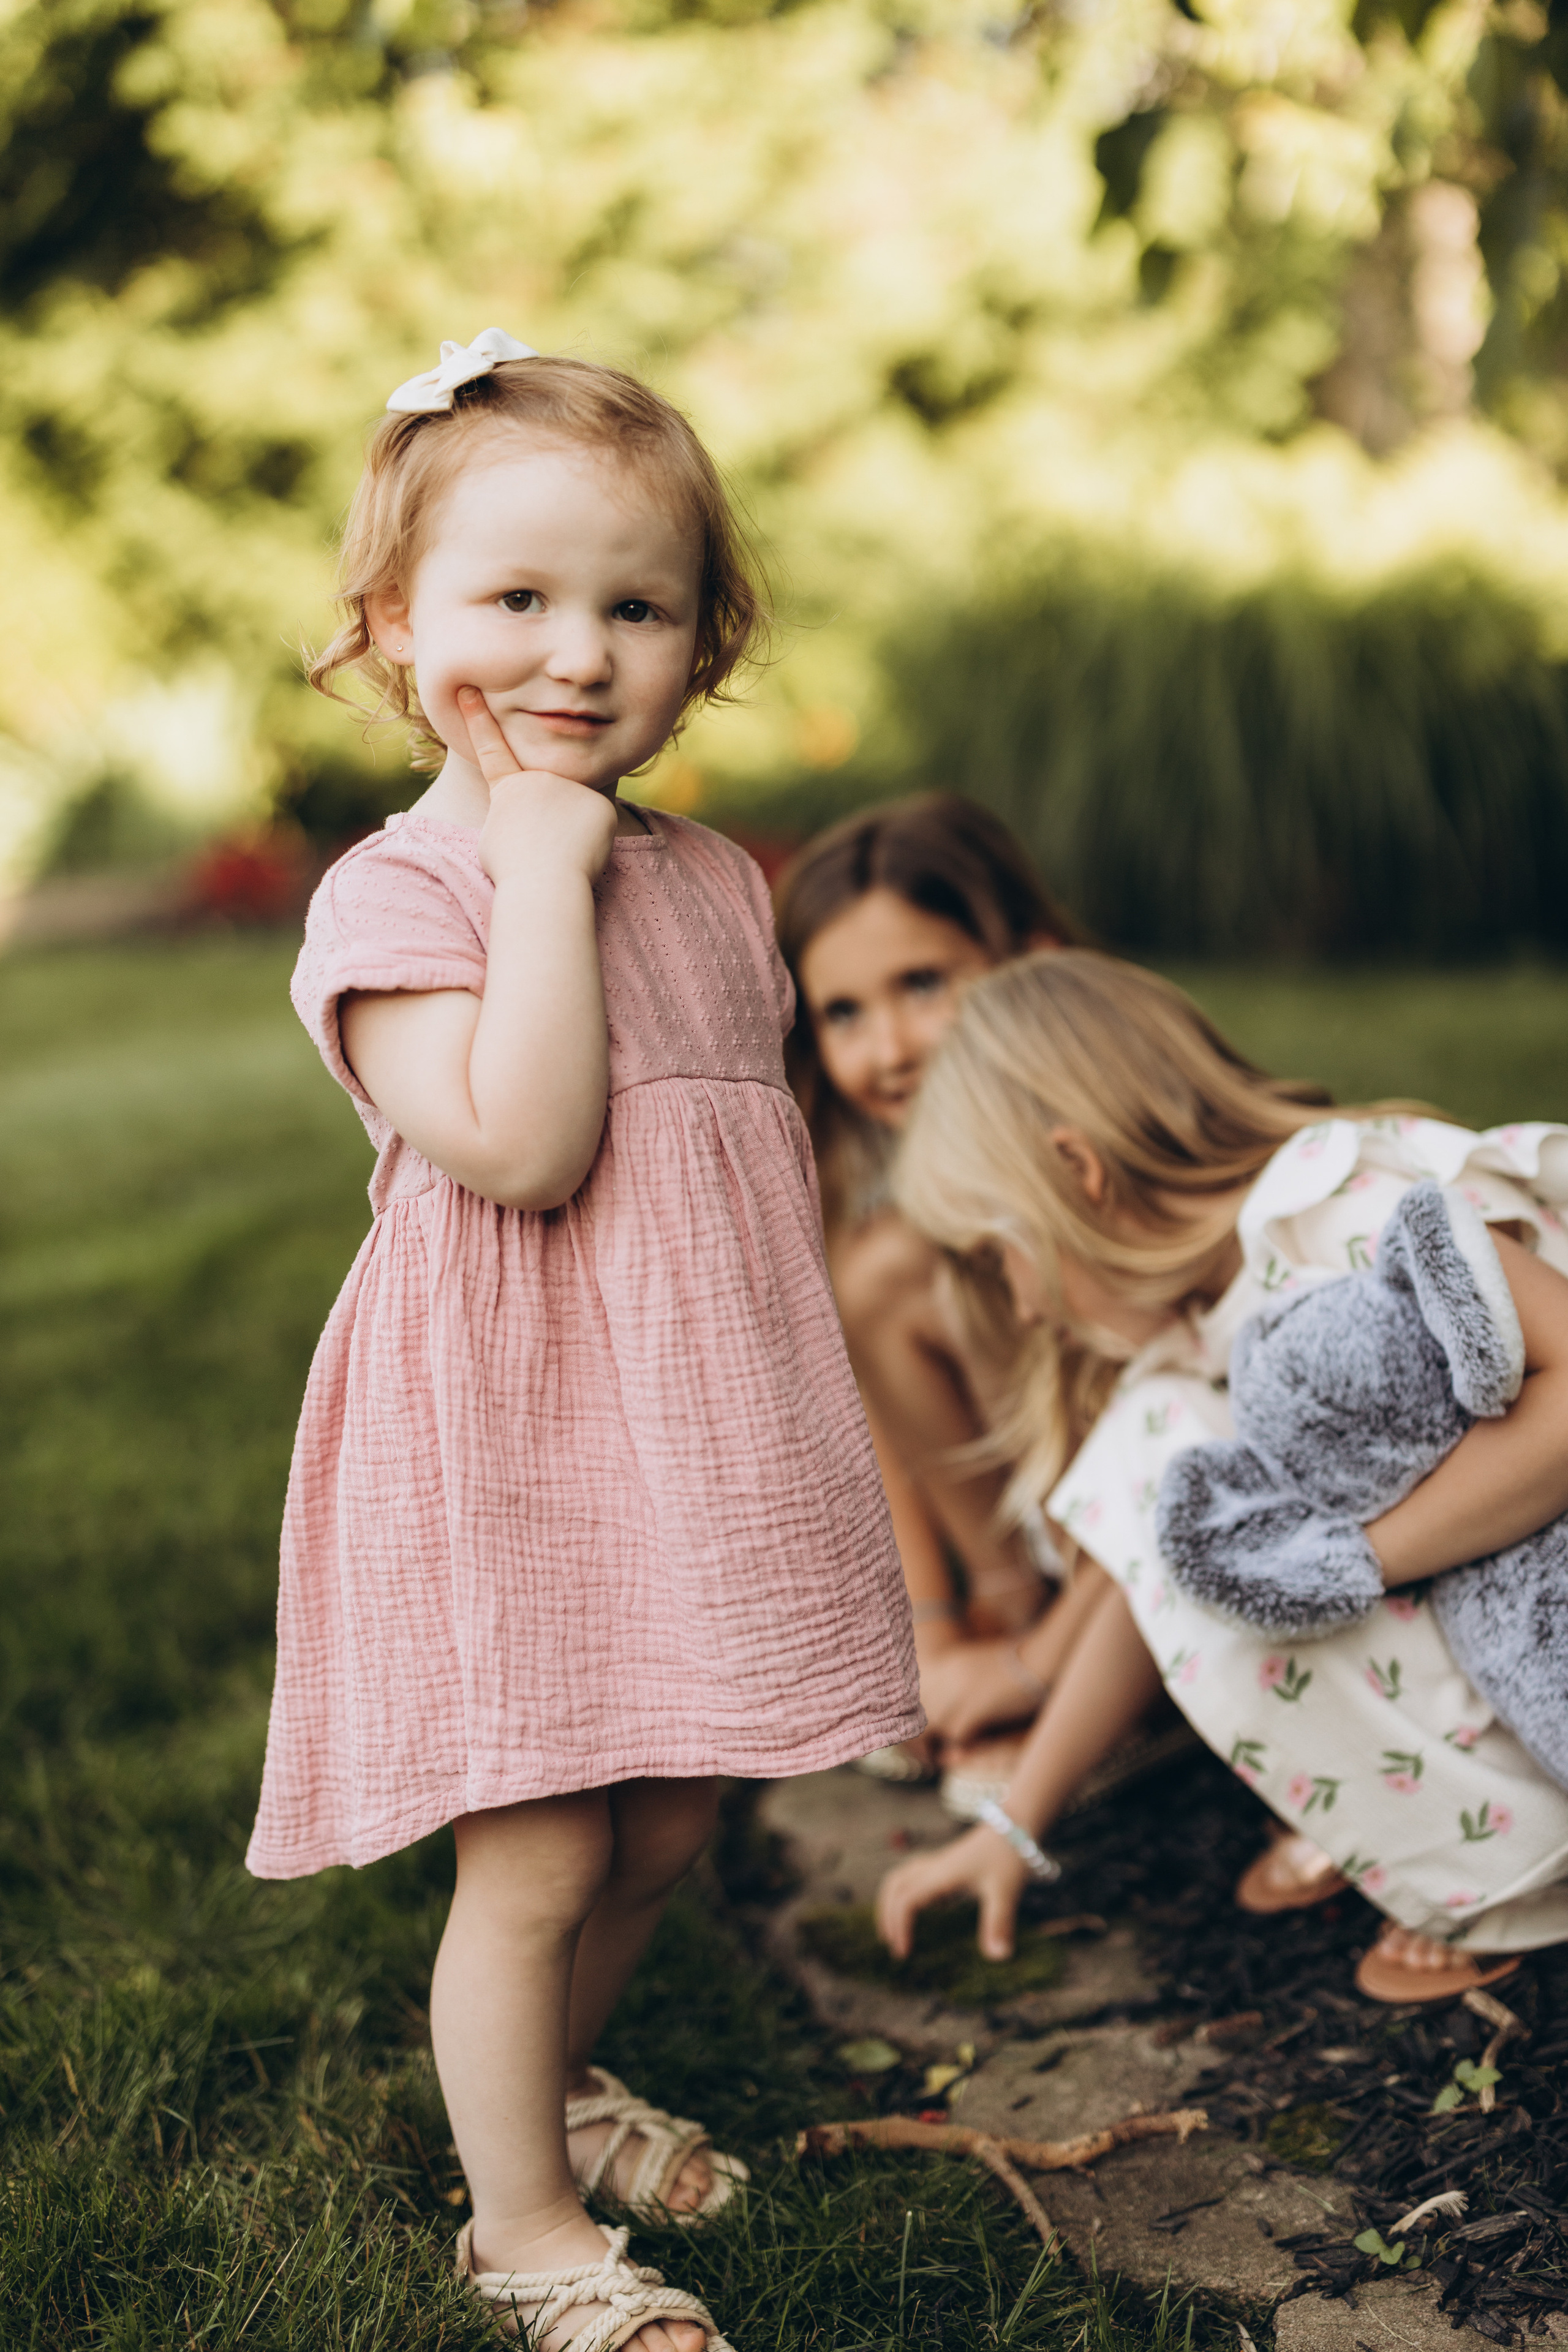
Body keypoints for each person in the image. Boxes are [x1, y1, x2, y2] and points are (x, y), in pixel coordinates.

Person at [247, 331, 921, 2350]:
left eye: (636, 606)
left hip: (683, 1431)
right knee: (536, 1845)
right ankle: (524, 2231)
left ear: (710, 641)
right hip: (508, 1441)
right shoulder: (406, 896)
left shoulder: (713, 880)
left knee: (666, 1818)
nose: (575, 653)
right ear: (392, 628)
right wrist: (539, 868)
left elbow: (742, 1167)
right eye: (514, 601)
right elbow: (529, 1152)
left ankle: (546, 2091)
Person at [875, 949, 1568, 2006]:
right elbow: (1144, 1587)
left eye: (999, 1255)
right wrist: (1020, 1823)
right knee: (1170, 1469)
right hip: (1504, 1616)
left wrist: (1360, 1561)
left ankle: (1506, 1857)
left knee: (1165, 1459)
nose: (1017, 1305)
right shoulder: (1200, 1337)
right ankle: (1477, 1821)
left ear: (1078, 1173)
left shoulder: (1337, 1214)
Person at [774, 799, 1101, 1779]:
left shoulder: (1098, 1140)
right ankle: (1008, 1610)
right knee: (877, 1274)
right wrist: (927, 1625)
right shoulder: (853, 1159)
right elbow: (873, 1412)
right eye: (844, 1012)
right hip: (1020, 1513)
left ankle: (1078, 1664)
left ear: (1031, 962)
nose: (890, 1049)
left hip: (1158, 1498)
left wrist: (1036, 1670)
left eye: (923, 984)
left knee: (906, 1262)